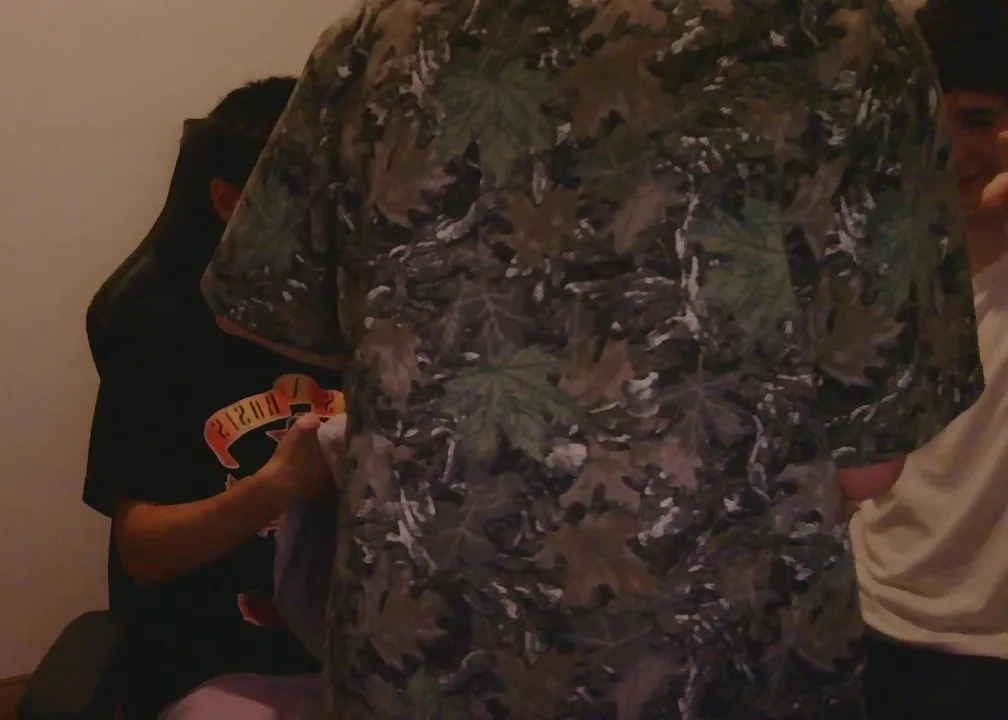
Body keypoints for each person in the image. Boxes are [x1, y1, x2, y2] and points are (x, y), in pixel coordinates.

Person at [200, 1, 984, 717]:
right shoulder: (851, 40)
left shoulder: (380, 37)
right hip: (720, 659)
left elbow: (266, 304)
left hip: (423, 660)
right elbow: (870, 466)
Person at [81, 76, 342, 716]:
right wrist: (276, 487)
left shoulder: (372, 309)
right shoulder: (159, 326)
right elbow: (143, 551)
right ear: (231, 203)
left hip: (369, 646)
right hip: (224, 661)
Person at [852, 2, 1008, 717]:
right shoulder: (875, 261)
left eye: (980, 120)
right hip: (867, 616)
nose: (948, 146)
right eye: (926, 117)